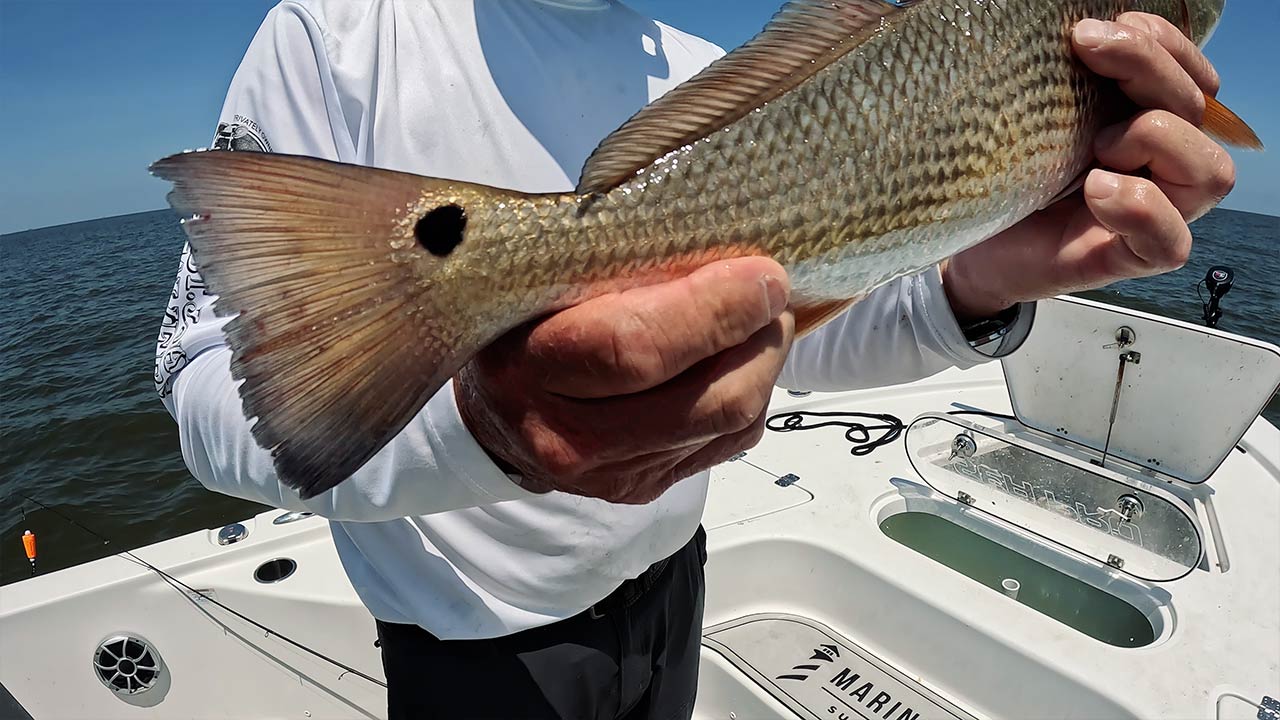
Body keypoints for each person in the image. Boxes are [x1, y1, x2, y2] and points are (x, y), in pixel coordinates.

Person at [153, 1, 1235, 717]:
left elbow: (792, 335)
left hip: (674, 589)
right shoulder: (335, 34)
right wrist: (488, 431)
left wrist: (978, 279)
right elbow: (213, 399)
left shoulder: (704, 69)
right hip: (474, 647)